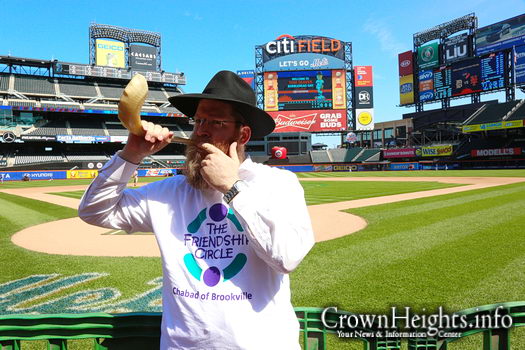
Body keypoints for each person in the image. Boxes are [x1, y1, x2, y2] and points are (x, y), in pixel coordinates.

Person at [78, 71, 315, 349]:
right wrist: (131, 154)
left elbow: (286, 257)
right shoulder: (170, 192)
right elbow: (94, 211)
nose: (201, 131)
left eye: (215, 122)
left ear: (243, 135)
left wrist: (232, 187)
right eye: (198, 120)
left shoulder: (278, 184)